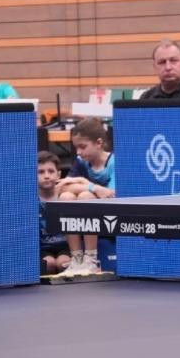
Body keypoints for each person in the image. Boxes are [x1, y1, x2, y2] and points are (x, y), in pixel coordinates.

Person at [57, 117, 115, 276]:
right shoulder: (81, 161)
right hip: (85, 216)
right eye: (76, 147)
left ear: (99, 143)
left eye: (82, 147)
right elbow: (62, 186)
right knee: (66, 197)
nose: (78, 152)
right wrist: (93, 186)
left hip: (110, 217)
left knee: (85, 196)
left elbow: (111, 195)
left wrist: (84, 184)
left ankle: (91, 259)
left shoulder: (113, 162)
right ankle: (76, 259)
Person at [38, 151, 70, 275]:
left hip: (65, 246)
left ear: (58, 174)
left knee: (63, 263)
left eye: (51, 171)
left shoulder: (65, 194)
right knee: (49, 263)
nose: (46, 176)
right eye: (41, 172)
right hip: (42, 248)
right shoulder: (30, 199)